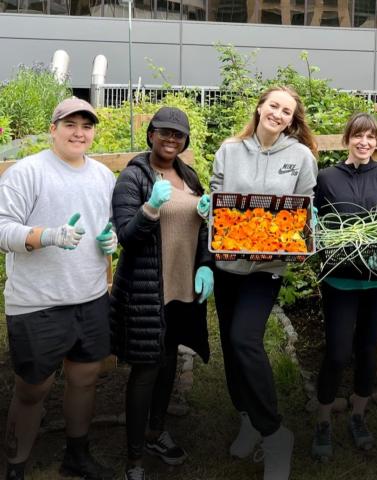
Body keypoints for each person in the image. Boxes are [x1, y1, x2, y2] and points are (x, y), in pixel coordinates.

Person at [0, 97, 116, 480]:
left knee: (84, 379)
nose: (79, 133)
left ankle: (76, 456)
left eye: (86, 126)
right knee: (33, 388)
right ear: (53, 129)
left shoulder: (103, 175)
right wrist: (46, 235)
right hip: (38, 302)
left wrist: (109, 239)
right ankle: (16, 467)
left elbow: (105, 223)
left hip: (90, 295)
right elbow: (2, 229)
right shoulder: (28, 172)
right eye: (70, 125)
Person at [209, 86, 317, 480]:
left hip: (267, 265)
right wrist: (210, 216)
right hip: (227, 262)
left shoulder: (300, 156)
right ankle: (248, 419)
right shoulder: (229, 150)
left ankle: (274, 433)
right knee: (231, 346)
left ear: (292, 119)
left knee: (245, 339)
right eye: (274, 105)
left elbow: (303, 210)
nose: (278, 114)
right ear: (259, 107)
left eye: (286, 111)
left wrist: (290, 238)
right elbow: (217, 202)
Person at [109, 107, 214, 480]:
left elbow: (203, 228)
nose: (171, 140)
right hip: (147, 290)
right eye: (164, 133)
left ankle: (156, 431)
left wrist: (204, 260)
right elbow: (125, 236)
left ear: (185, 141)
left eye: (178, 135)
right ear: (151, 134)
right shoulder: (133, 177)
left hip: (183, 287)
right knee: (146, 369)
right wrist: (151, 207)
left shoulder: (189, 175)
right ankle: (134, 459)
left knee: (168, 360)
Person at [310, 113, 377, 460]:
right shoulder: (327, 177)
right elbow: (317, 220)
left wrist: (370, 233)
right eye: (358, 136)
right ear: (348, 138)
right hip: (340, 278)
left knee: (367, 350)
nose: (364, 143)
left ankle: (359, 415)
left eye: (371, 137)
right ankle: (323, 419)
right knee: (336, 352)